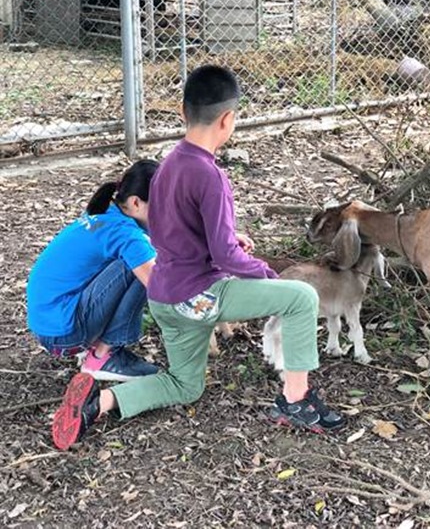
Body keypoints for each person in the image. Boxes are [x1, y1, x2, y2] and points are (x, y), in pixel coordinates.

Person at [52, 64, 345, 450]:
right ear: (228, 120)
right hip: (196, 299)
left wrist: (220, 238)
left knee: (185, 385)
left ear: (182, 111)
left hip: (163, 299)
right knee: (301, 297)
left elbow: (166, 225)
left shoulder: (168, 163)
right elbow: (226, 255)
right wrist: (267, 274)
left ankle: (99, 402)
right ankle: (296, 401)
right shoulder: (210, 175)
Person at [27, 160, 160, 382]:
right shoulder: (125, 234)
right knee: (145, 266)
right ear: (136, 202)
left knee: (144, 255)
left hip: (50, 322)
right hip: (64, 333)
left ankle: (100, 349)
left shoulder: (108, 210)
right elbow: (160, 286)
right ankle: (103, 356)